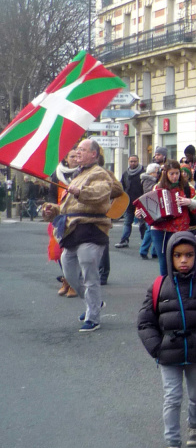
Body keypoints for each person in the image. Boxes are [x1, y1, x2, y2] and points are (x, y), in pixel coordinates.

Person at [137, 232, 196, 448]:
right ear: (170, 257)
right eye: (178, 256)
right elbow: (145, 322)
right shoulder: (158, 287)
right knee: (172, 397)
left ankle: (195, 425)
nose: (184, 260)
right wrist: (157, 348)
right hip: (168, 353)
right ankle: (172, 443)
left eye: (189, 255)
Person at [42, 139, 124, 332]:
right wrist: (51, 210)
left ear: (94, 154)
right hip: (73, 230)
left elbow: (101, 192)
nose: (77, 152)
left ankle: (93, 316)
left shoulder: (100, 173)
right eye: (76, 149)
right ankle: (93, 302)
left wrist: (80, 191)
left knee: (89, 273)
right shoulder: (78, 175)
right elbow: (67, 208)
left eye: (82, 150)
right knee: (69, 271)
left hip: (92, 229)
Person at [138, 160, 196, 276]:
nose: (175, 177)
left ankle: (179, 288)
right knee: (164, 263)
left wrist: (189, 202)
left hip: (180, 230)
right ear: (166, 174)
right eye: (171, 174)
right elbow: (148, 207)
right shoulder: (157, 188)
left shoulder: (187, 188)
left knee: (179, 264)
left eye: (177, 173)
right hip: (160, 231)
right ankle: (165, 289)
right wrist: (140, 213)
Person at [48, 147, 81, 297]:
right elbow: (51, 195)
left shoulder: (83, 174)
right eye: (72, 156)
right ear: (66, 159)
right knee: (59, 252)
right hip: (60, 217)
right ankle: (67, 280)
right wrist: (50, 209)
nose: (75, 159)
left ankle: (74, 283)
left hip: (78, 216)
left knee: (75, 252)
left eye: (77, 156)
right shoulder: (58, 174)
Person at [116, 155, 145, 248]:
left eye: (134, 161)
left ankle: (144, 241)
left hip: (140, 203)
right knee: (127, 222)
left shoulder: (143, 173)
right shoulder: (126, 174)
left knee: (142, 223)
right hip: (128, 203)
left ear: (138, 161)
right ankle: (124, 240)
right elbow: (122, 186)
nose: (133, 163)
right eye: (131, 161)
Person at [138, 163, 160, 260]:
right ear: (151, 173)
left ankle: (154, 251)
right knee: (151, 229)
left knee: (154, 228)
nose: (158, 174)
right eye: (156, 172)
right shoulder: (148, 181)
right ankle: (144, 250)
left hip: (151, 206)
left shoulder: (147, 179)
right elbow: (150, 192)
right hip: (149, 207)